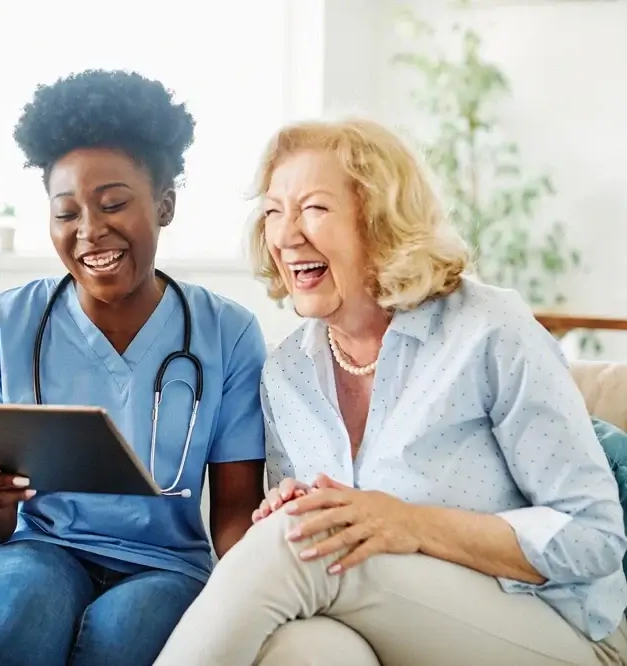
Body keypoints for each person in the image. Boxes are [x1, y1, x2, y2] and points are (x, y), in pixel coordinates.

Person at [155, 118, 627, 666]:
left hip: (558, 626)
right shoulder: (287, 372)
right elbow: (327, 545)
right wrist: (291, 505)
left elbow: (593, 538)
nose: (285, 235)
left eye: (313, 208)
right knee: (302, 648)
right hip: (396, 622)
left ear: (381, 222)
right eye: (274, 212)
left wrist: (409, 524)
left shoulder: (489, 330)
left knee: (298, 543)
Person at [0, 69, 267, 666]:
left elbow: (235, 509)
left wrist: (265, 584)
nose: (90, 231)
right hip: (34, 550)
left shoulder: (229, 333)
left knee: (127, 630)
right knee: (24, 600)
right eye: (66, 213)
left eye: (113, 204)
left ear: (164, 205)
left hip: (165, 567)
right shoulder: (1, 327)